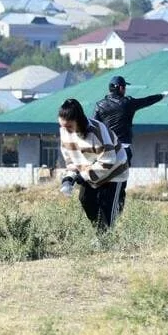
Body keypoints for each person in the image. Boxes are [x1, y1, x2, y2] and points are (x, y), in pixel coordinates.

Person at [93, 75, 168, 210]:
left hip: (105, 150)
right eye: (124, 87)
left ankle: (101, 207)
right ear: (120, 88)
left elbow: (93, 126)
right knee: (120, 183)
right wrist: (162, 96)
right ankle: (117, 211)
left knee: (104, 181)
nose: (125, 90)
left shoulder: (100, 105)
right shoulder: (127, 103)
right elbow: (146, 101)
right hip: (123, 149)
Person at [57, 98, 129, 234]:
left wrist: (82, 177)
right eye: (62, 126)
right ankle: (101, 235)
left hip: (114, 170)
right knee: (86, 200)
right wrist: (69, 178)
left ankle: (106, 238)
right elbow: (71, 160)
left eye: (69, 127)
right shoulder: (65, 132)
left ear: (79, 121)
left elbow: (108, 161)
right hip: (89, 171)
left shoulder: (96, 131)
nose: (66, 130)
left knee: (107, 208)